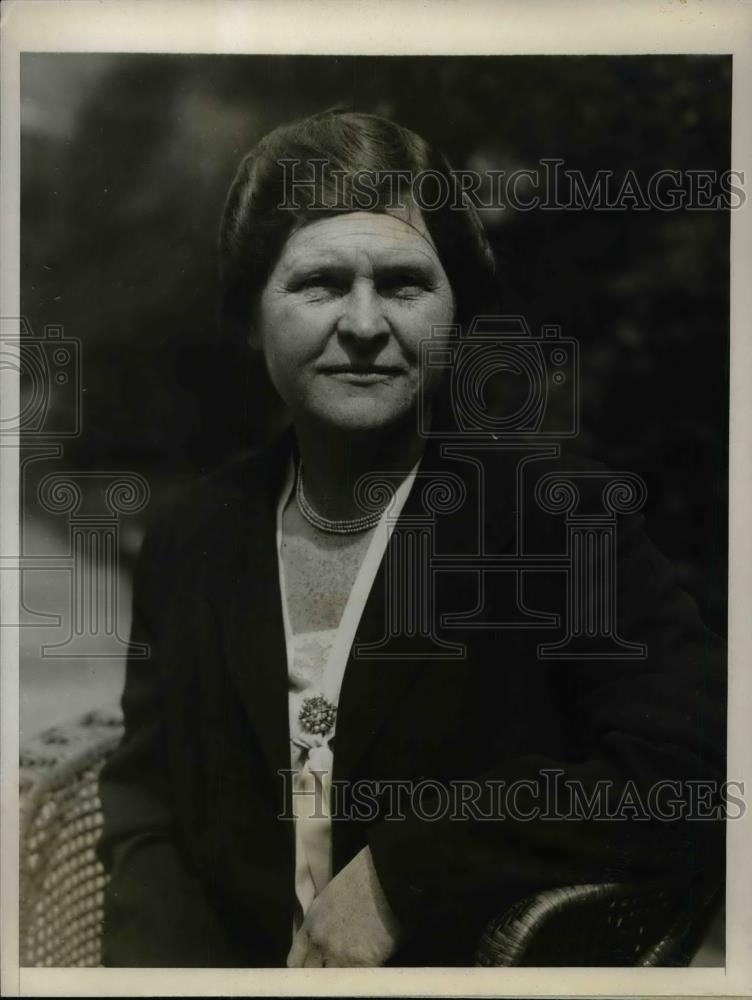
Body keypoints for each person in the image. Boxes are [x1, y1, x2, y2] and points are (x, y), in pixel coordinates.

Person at [96, 109, 726, 968]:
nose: (363, 322)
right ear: (250, 315)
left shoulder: (559, 520)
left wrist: (408, 871)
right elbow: (149, 811)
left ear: (455, 310)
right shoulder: (190, 539)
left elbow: (693, 775)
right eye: (318, 282)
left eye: (402, 283)